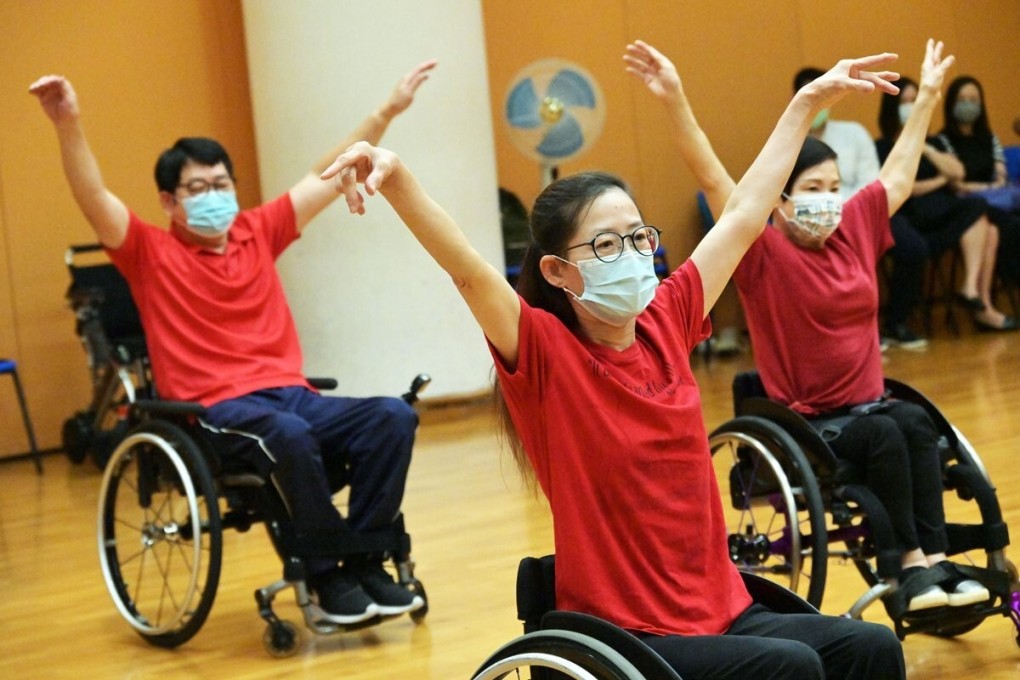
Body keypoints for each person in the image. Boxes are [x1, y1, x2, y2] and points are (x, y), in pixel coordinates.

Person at [320, 42, 906, 680]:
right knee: (788, 668)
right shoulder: (546, 354)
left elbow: (742, 214)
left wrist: (806, 103)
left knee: (872, 649)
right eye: (606, 243)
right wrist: (397, 177)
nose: (631, 253)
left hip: (723, 610)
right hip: (631, 632)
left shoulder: (668, 320)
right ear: (558, 270)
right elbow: (467, 271)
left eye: (637, 237)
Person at [29, 60, 438, 625]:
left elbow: (327, 172)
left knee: (391, 417)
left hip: (291, 395)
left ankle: (366, 563)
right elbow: (92, 193)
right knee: (289, 436)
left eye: (222, 185)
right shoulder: (149, 252)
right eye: (197, 188)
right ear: (170, 202)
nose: (214, 196)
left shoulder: (256, 231)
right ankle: (325, 579)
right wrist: (67, 123)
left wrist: (386, 112)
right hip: (215, 409)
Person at [649, 37, 991, 618]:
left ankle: (933, 560)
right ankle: (905, 565)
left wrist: (929, 94)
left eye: (834, 189)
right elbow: (710, 175)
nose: (829, 202)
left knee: (912, 421)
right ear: (778, 202)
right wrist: (676, 99)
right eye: (813, 192)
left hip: (873, 406)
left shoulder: (855, 226)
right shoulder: (761, 251)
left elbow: (900, 177)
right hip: (815, 425)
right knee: (886, 433)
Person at [796, 67, 930, 347]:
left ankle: (896, 321)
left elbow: (874, 184)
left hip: (862, 215)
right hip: (810, 221)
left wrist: (846, 211)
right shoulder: (789, 142)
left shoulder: (853, 134)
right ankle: (831, 329)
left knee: (912, 246)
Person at [876, 76, 1013, 331]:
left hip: (942, 214)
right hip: (912, 218)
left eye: (915, 101)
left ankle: (972, 291)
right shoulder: (883, 147)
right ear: (891, 108)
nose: (911, 106)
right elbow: (905, 189)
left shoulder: (934, 143)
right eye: (904, 102)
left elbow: (958, 171)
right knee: (983, 218)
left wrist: (925, 149)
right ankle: (976, 301)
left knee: (982, 213)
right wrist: (941, 180)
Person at [938, 75, 1020, 295]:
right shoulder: (942, 141)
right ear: (951, 103)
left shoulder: (989, 137)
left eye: (973, 99)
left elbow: (1001, 175)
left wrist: (989, 186)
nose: (968, 104)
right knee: (1011, 227)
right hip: (968, 205)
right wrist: (987, 187)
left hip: (997, 198)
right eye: (962, 99)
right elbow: (958, 185)